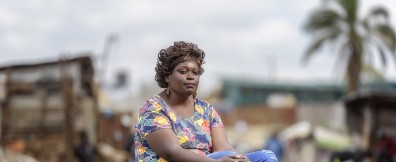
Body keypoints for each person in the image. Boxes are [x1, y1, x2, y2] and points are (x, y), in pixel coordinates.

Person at [134, 41, 278, 162]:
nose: (191, 77)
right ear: (167, 76)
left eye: (195, 73)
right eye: (183, 72)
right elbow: (171, 152)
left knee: (266, 157)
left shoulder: (206, 110)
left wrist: (238, 158)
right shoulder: (153, 108)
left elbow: (223, 148)